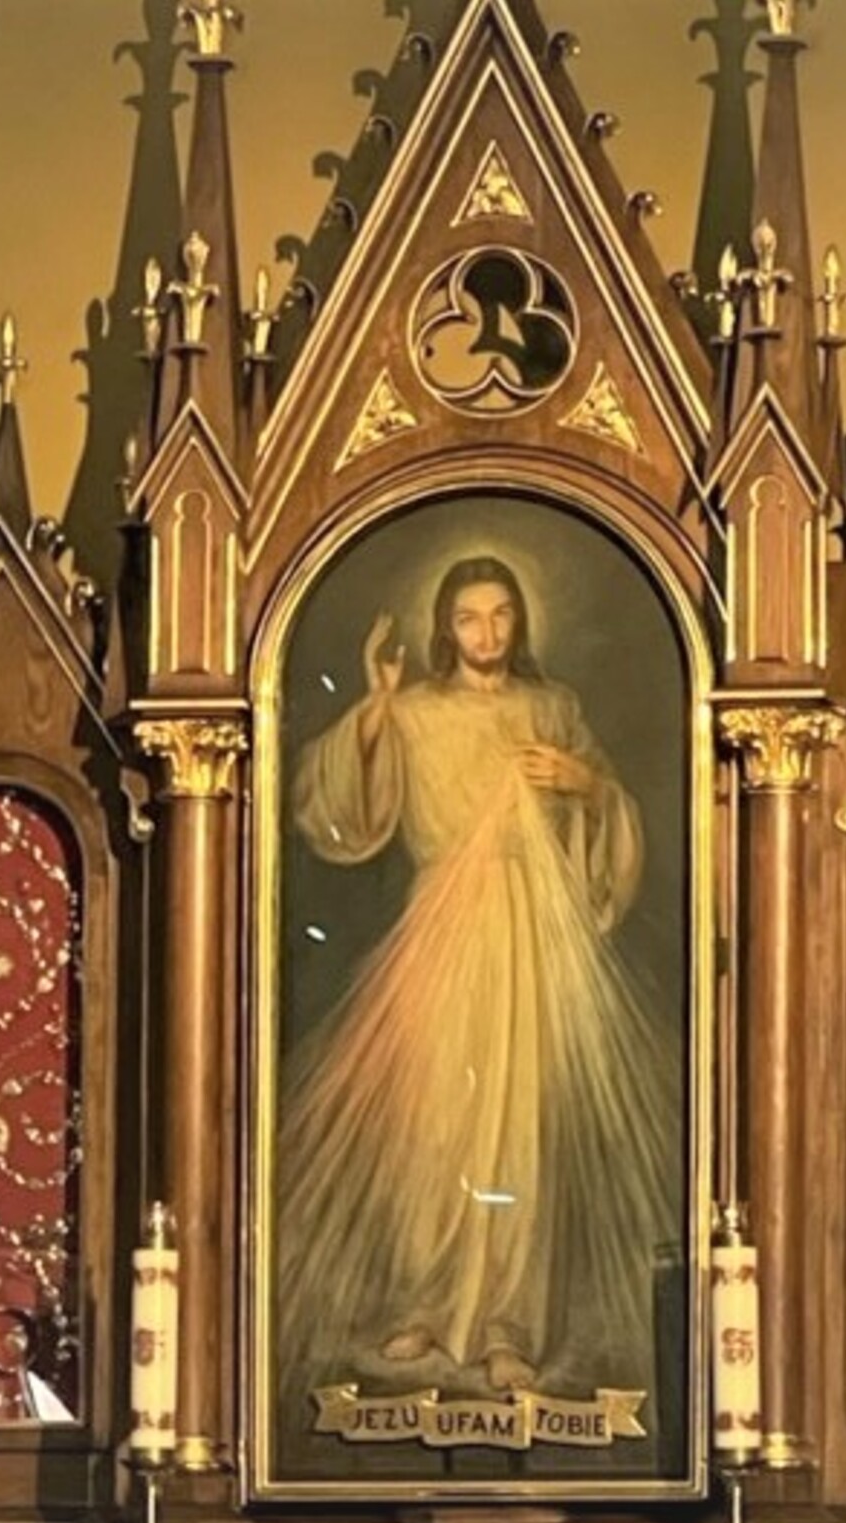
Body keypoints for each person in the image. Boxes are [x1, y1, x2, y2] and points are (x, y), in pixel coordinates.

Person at [280, 554, 678, 1398]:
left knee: (522, 1129)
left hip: (530, 930)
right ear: (445, 627)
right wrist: (376, 705)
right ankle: (425, 1301)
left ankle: (508, 1324)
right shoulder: (415, 711)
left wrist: (584, 783)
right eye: (469, 617)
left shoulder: (552, 708)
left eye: (500, 615)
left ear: (519, 621)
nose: (486, 633)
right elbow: (338, 808)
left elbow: (611, 813)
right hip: (440, 925)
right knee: (432, 1124)